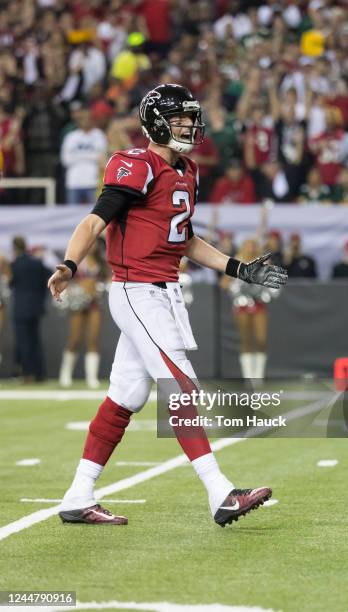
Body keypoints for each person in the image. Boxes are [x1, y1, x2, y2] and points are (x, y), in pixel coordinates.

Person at [48, 84, 287, 527]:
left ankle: (78, 494)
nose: (190, 126)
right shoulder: (136, 165)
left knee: (127, 395)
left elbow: (185, 239)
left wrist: (238, 268)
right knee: (182, 386)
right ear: (158, 121)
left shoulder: (188, 170)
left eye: (190, 118)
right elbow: (94, 219)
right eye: (181, 119)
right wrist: (69, 264)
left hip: (163, 292)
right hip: (137, 289)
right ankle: (220, 492)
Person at [59, 239, 109, 389]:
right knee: (75, 338)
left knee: (93, 338)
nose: (93, 245)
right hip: (78, 302)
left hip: (95, 302)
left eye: (95, 243)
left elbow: (108, 279)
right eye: (91, 242)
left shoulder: (102, 260)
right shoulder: (76, 259)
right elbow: (66, 279)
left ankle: (92, 378)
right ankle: (65, 374)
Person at [229, 238, 273, 381]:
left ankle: (258, 377)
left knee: (261, 339)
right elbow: (224, 283)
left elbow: (273, 285)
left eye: (253, 245)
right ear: (243, 247)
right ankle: (249, 378)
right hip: (241, 305)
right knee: (246, 340)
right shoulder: (237, 261)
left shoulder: (264, 263)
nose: (251, 248)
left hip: (259, 304)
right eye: (247, 245)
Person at [10, 236, 50, 382]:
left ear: (14, 247)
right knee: (35, 341)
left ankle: (27, 374)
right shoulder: (36, 262)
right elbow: (51, 276)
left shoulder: (14, 264)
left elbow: (10, 282)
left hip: (20, 309)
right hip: (35, 308)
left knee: (24, 342)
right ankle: (39, 374)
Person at [60, 107, 107, 205]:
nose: (85, 121)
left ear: (92, 119)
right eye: (82, 119)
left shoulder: (99, 135)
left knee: (94, 214)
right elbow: (65, 160)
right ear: (78, 120)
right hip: (74, 181)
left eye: (88, 118)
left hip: (93, 182)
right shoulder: (71, 137)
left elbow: (102, 158)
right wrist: (91, 156)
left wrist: (78, 156)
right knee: (71, 215)